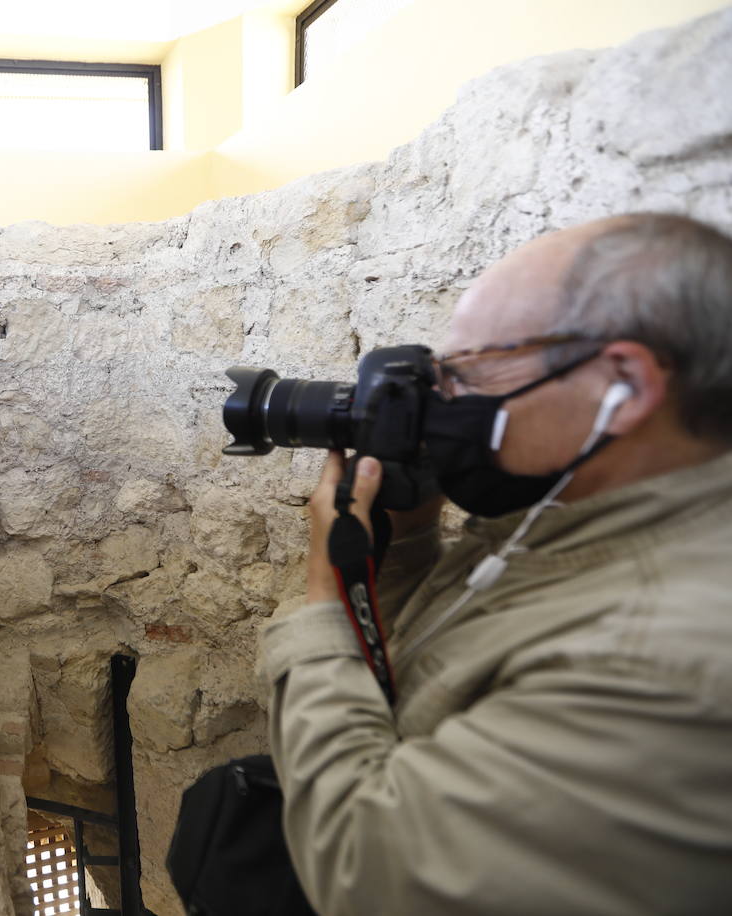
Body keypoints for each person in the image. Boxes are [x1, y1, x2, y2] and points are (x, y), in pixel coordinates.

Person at [256, 213, 732, 915]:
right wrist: (409, 538)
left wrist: (327, 596)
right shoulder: (567, 525)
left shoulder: (657, 660)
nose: (445, 403)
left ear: (622, 385)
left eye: (469, 373)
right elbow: (425, 679)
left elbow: (371, 872)